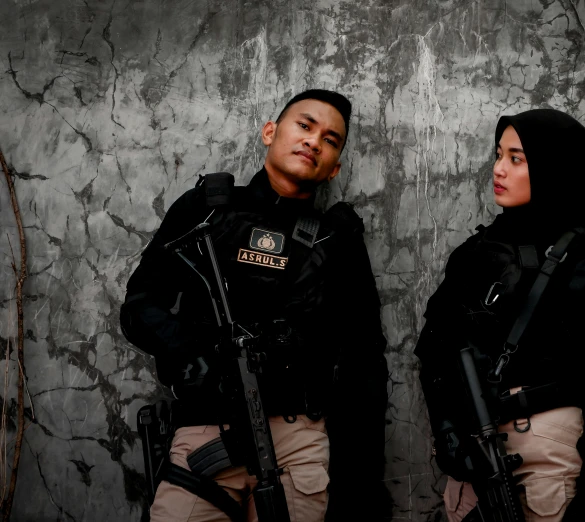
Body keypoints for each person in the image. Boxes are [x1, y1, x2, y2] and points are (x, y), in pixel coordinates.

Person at [120, 89, 389, 522]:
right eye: (304, 125)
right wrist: (189, 354)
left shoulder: (336, 240)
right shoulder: (205, 210)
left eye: (330, 139)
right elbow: (140, 305)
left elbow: (365, 360)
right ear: (270, 131)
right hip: (208, 430)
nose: (314, 141)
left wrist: (362, 482)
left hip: (297, 441)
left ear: (335, 165)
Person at [415, 109, 585, 521]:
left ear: (554, 168)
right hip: (472, 446)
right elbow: (434, 349)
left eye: (517, 158)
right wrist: (447, 434)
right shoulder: (474, 253)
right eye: (499, 155)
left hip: (545, 444)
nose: (499, 169)